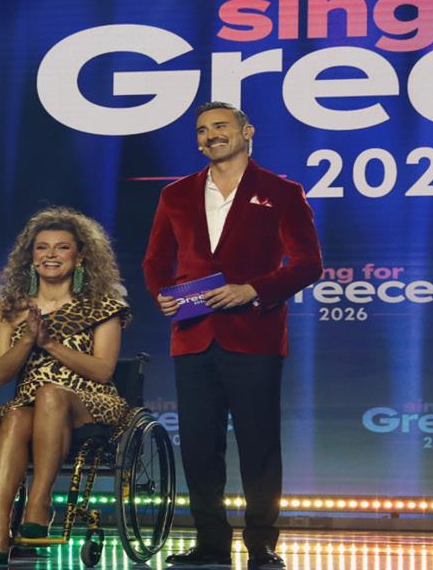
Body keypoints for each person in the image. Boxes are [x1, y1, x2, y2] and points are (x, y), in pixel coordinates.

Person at [142, 102, 322, 569]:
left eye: (220, 126)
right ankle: (211, 543)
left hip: (255, 336)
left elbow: (308, 264)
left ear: (247, 131)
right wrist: (162, 294)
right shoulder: (175, 194)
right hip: (192, 336)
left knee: (259, 445)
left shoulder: (281, 192)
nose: (210, 135)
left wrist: (253, 290)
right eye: (202, 130)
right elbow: (156, 260)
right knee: (200, 446)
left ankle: (261, 544)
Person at [0, 208, 131, 565]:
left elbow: (103, 370)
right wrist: (27, 339)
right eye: (42, 247)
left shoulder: (102, 307)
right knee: (15, 417)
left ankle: (39, 502)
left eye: (62, 247)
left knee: (51, 393)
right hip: (30, 403)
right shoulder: (9, 309)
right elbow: (1, 374)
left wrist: (49, 344)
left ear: (79, 257)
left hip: (91, 401)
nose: (51, 254)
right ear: (31, 257)